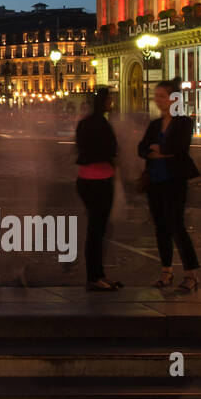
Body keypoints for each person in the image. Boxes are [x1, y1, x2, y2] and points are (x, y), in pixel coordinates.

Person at [139, 79, 201, 292]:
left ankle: (191, 273)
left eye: (162, 96)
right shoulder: (155, 124)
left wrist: (159, 149)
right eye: (156, 96)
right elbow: (142, 148)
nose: (158, 100)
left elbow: (179, 147)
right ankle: (166, 271)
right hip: (155, 181)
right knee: (160, 228)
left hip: (174, 181)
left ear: (174, 98)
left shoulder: (183, 122)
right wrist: (158, 150)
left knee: (177, 225)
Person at [75, 87, 121, 291]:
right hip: (101, 180)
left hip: (84, 180)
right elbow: (111, 151)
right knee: (97, 231)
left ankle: (98, 274)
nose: (112, 101)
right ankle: (95, 276)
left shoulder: (84, 123)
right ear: (104, 102)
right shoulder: (103, 125)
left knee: (95, 229)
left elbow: (80, 148)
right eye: (110, 98)